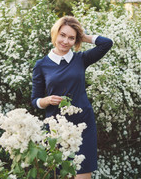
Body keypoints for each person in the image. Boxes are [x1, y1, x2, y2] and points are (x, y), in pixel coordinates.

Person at [31, 16, 113, 179]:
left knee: (82, 175)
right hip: (56, 128)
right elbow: (35, 100)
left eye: (71, 38)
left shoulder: (81, 59)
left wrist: (82, 36)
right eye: (62, 35)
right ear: (55, 33)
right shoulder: (41, 65)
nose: (65, 41)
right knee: (61, 174)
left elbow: (106, 43)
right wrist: (46, 101)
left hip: (83, 125)